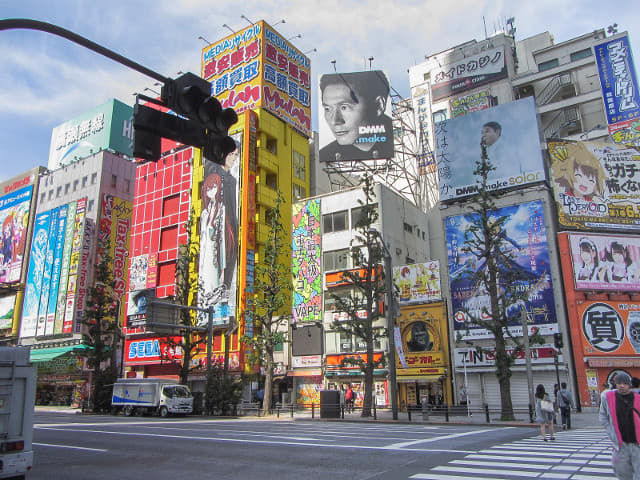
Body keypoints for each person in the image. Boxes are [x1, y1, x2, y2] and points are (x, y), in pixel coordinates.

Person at [319, 71, 394, 162]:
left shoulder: (400, 143)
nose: (335, 120)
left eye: (344, 107)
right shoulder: (327, 154)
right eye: (327, 109)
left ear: (378, 105)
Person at [599, 372, 640, 480]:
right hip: (621, 444)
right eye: (619, 383)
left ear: (629, 384)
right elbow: (603, 417)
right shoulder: (608, 398)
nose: (622, 385)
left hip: (637, 444)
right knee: (623, 473)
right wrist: (611, 432)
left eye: (625, 383)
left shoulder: (638, 398)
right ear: (615, 384)